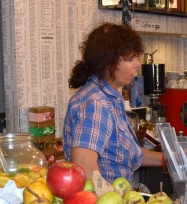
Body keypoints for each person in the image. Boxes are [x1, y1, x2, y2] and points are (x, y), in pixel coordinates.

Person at [63, 23, 164, 188]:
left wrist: (169, 160)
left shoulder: (110, 98)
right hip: (107, 202)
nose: (137, 64)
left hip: (119, 197)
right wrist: (111, 199)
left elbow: (129, 155)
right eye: (130, 59)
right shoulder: (97, 104)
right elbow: (84, 166)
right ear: (109, 63)